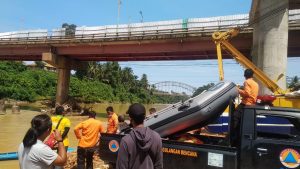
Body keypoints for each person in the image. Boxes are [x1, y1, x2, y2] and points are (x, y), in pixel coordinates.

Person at [116, 103, 163, 169]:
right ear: (144, 117)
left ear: (130, 119)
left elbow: (121, 167)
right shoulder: (157, 137)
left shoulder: (126, 141)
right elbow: (159, 165)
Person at [232, 68, 259, 146]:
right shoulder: (256, 84)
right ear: (252, 75)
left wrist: (238, 89)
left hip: (246, 103)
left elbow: (247, 93)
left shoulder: (247, 82)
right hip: (252, 105)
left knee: (235, 117)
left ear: (245, 75)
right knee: (242, 122)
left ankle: (233, 136)